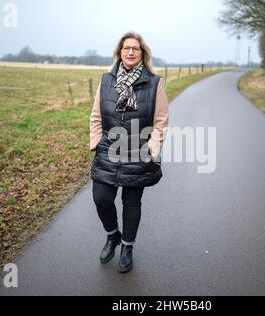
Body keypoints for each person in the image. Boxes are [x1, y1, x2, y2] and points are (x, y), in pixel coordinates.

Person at [89, 32, 169, 273]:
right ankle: (113, 235)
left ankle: (127, 246)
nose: (131, 52)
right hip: (109, 149)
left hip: (139, 150)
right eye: (126, 48)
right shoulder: (106, 80)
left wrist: (152, 149)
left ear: (143, 53)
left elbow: (161, 121)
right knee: (101, 198)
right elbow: (95, 116)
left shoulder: (155, 82)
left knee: (131, 202)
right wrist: (96, 141)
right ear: (120, 52)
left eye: (135, 48)